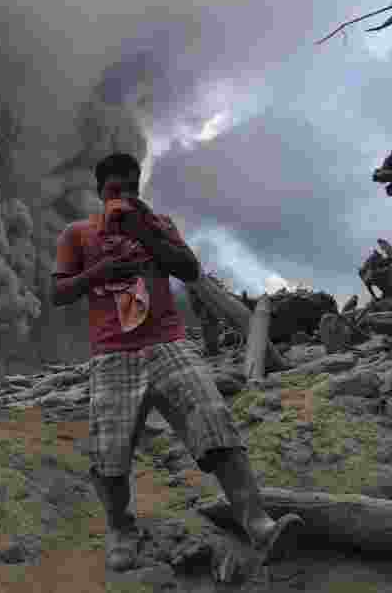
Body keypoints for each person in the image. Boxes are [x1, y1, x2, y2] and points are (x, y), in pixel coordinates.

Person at [51, 152, 304, 573]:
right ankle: (119, 528)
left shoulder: (158, 224)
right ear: (100, 193)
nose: (124, 196)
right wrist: (100, 271)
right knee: (109, 453)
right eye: (115, 190)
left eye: (131, 188)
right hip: (112, 353)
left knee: (214, 419)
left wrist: (145, 232)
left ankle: (256, 522)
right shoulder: (76, 234)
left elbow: (188, 269)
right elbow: (59, 293)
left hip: (168, 342)